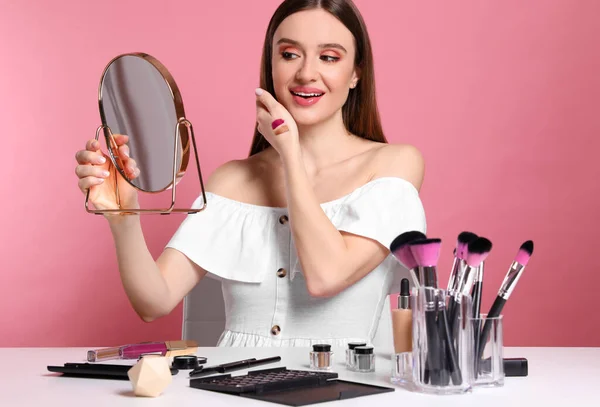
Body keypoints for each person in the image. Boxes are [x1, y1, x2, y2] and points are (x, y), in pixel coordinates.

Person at [74, 0, 427, 347]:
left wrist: (290, 153)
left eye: (329, 57)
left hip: (348, 386)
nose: (306, 73)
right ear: (271, 65)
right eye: (289, 54)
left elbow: (326, 275)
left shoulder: (393, 165)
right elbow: (155, 302)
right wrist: (124, 215)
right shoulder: (232, 180)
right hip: (233, 385)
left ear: (356, 73)